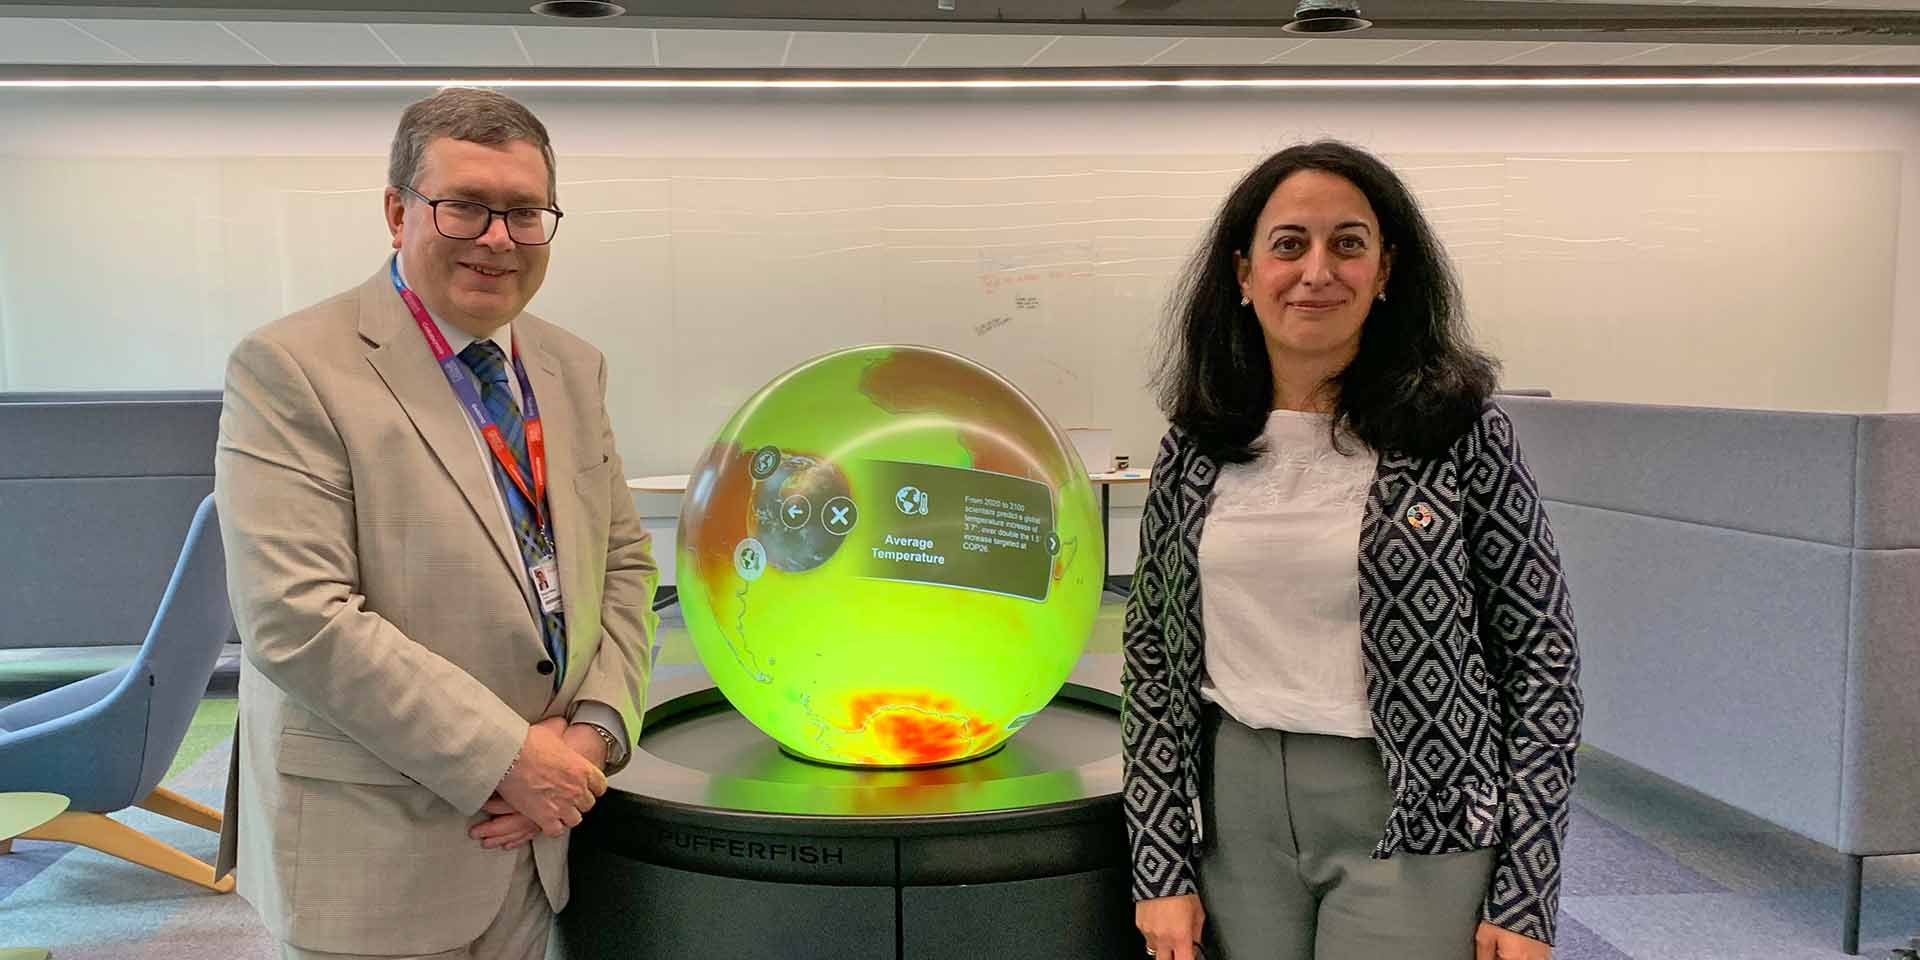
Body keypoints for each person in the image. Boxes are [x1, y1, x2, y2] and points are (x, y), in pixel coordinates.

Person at [212, 87, 659, 959]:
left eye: (524, 212)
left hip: (541, 836)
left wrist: (594, 731)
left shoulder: (571, 366)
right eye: (465, 206)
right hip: (379, 844)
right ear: (397, 210)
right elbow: (295, 617)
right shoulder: (291, 366)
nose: (497, 238)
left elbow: (627, 566)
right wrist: (509, 758)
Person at [1122, 140, 1581, 960]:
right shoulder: (1196, 446)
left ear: (1386, 268)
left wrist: (1528, 890)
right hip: (1237, 812)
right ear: (1242, 271)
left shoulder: (1461, 435)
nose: (1317, 270)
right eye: (1289, 244)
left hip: (1417, 813)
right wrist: (1160, 868)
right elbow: (1154, 664)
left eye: (1349, 242)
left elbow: (1541, 662)